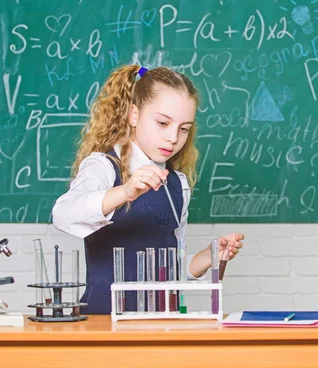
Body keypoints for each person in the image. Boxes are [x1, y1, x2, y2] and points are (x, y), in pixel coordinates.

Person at [52, 65, 244, 314]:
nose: (173, 137)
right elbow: (63, 214)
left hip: (162, 323)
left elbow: (171, 270)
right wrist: (125, 192)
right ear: (134, 114)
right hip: (104, 322)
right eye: (162, 123)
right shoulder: (104, 166)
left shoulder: (177, 184)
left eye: (184, 128)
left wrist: (209, 255)